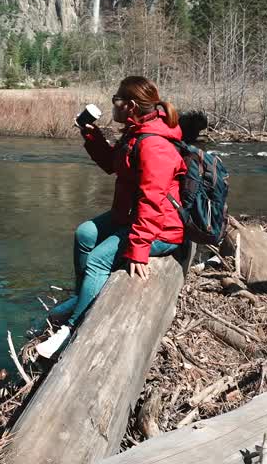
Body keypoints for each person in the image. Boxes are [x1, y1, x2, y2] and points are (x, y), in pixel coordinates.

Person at [35, 76, 185, 359]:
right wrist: (91, 135)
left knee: (98, 259)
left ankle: (72, 330)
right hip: (132, 217)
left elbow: (152, 202)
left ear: (129, 106)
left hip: (162, 229)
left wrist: (139, 250)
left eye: (115, 100)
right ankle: (82, 297)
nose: (112, 105)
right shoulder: (135, 132)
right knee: (84, 233)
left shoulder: (154, 144)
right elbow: (111, 165)